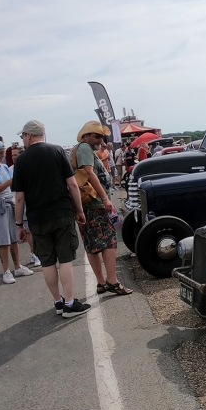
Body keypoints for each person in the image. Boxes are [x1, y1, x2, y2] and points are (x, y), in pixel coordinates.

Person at [11, 119, 90, 318]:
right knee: (65, 259)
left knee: (47, 262)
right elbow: (72, 184)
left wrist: (19, 224)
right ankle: (70, 303)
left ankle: (58, 302)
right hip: (61, 212)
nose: (23, 140)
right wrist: (79, 210)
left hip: (37, 217)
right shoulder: (56, 151)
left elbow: (19, 197)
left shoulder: (20, 161)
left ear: (29, 136)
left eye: (23, 136)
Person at [72, 120, 132, 298]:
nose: (100, 138)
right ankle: (112, 281)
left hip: (87, 204)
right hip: (95, 203)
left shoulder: (83, 149)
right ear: (86, 136)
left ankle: (101, 282)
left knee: (92, 243)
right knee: (108, 241)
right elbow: (89, 173)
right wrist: (105, 198)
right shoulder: (84, 148)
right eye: (96, 135)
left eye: (102, 136)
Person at [0, 140, 34, 284]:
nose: (3, 155)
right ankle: (6, 270)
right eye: (0, 153)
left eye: (3, 152)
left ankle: (17, 266)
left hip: (9, 202)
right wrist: (11, 181)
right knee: (3, 240)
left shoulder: (4, 166)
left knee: (13, 238)